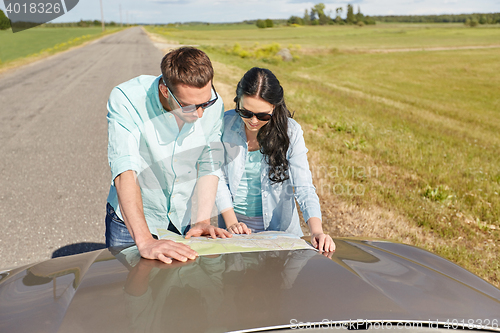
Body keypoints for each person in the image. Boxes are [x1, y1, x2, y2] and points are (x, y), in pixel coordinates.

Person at [106, 47, 231, 264]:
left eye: (205, 103)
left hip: (183, 219)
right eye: (190, 106)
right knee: (132, 292)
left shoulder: (213, 104)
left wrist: (201, 219)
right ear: (165, 91)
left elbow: (209, 160)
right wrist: (144, 240)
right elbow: (125, 169)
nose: (201, 114)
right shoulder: (126, 98)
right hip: (134, 224)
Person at [216, 67, 335, 252]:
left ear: (275, 106)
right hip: (232, 228)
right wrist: (232, 223)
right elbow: (217, 178)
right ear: (237, 100)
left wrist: (316, 231)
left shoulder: (291, 132)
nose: (253, 121)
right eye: (245, 112)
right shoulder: (224, 124)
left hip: (279, 232)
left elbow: (304, 187)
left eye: (262, 115)